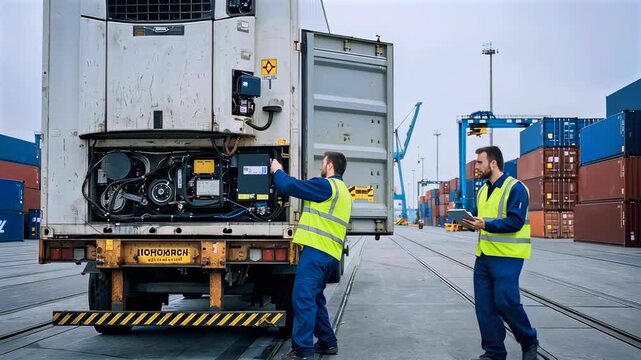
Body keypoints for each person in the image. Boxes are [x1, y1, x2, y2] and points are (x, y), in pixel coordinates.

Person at [270, 152, 352, 360]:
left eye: (323, 163)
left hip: (317, 251)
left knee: (303, 298)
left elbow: (289, 186)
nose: (321, 167)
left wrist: (277, 170)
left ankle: (302, 349)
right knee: (315, 298)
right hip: (330, 254)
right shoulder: (343, 191)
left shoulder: (326, 186)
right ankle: (327, 342)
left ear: (331, 165)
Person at [461, 146, 538, 360]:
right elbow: (481, 220)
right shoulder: (482, 190)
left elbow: (515, 221)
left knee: (506, 302)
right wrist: (469, 222)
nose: (476, 167)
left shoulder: (516, 188)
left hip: (508, 256)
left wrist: (484, 224)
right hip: (484, 256)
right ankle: (494, 352)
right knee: (485, 308)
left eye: (479, 162)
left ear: (493, 163)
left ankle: (529, 340)